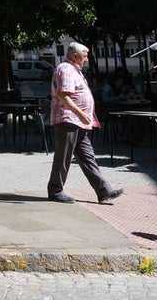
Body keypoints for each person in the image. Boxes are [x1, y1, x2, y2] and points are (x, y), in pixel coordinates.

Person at [47, 42, 123, 205]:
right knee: (63, 157)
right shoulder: (66, 69)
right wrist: (81, 114)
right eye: (85, 55)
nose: (87, 59)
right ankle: (55, 190)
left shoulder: (74, 70)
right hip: (69, 120)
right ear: (75, 55)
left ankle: (104, 191)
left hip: (77, 122)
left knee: (88, 158)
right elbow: (63, 95)